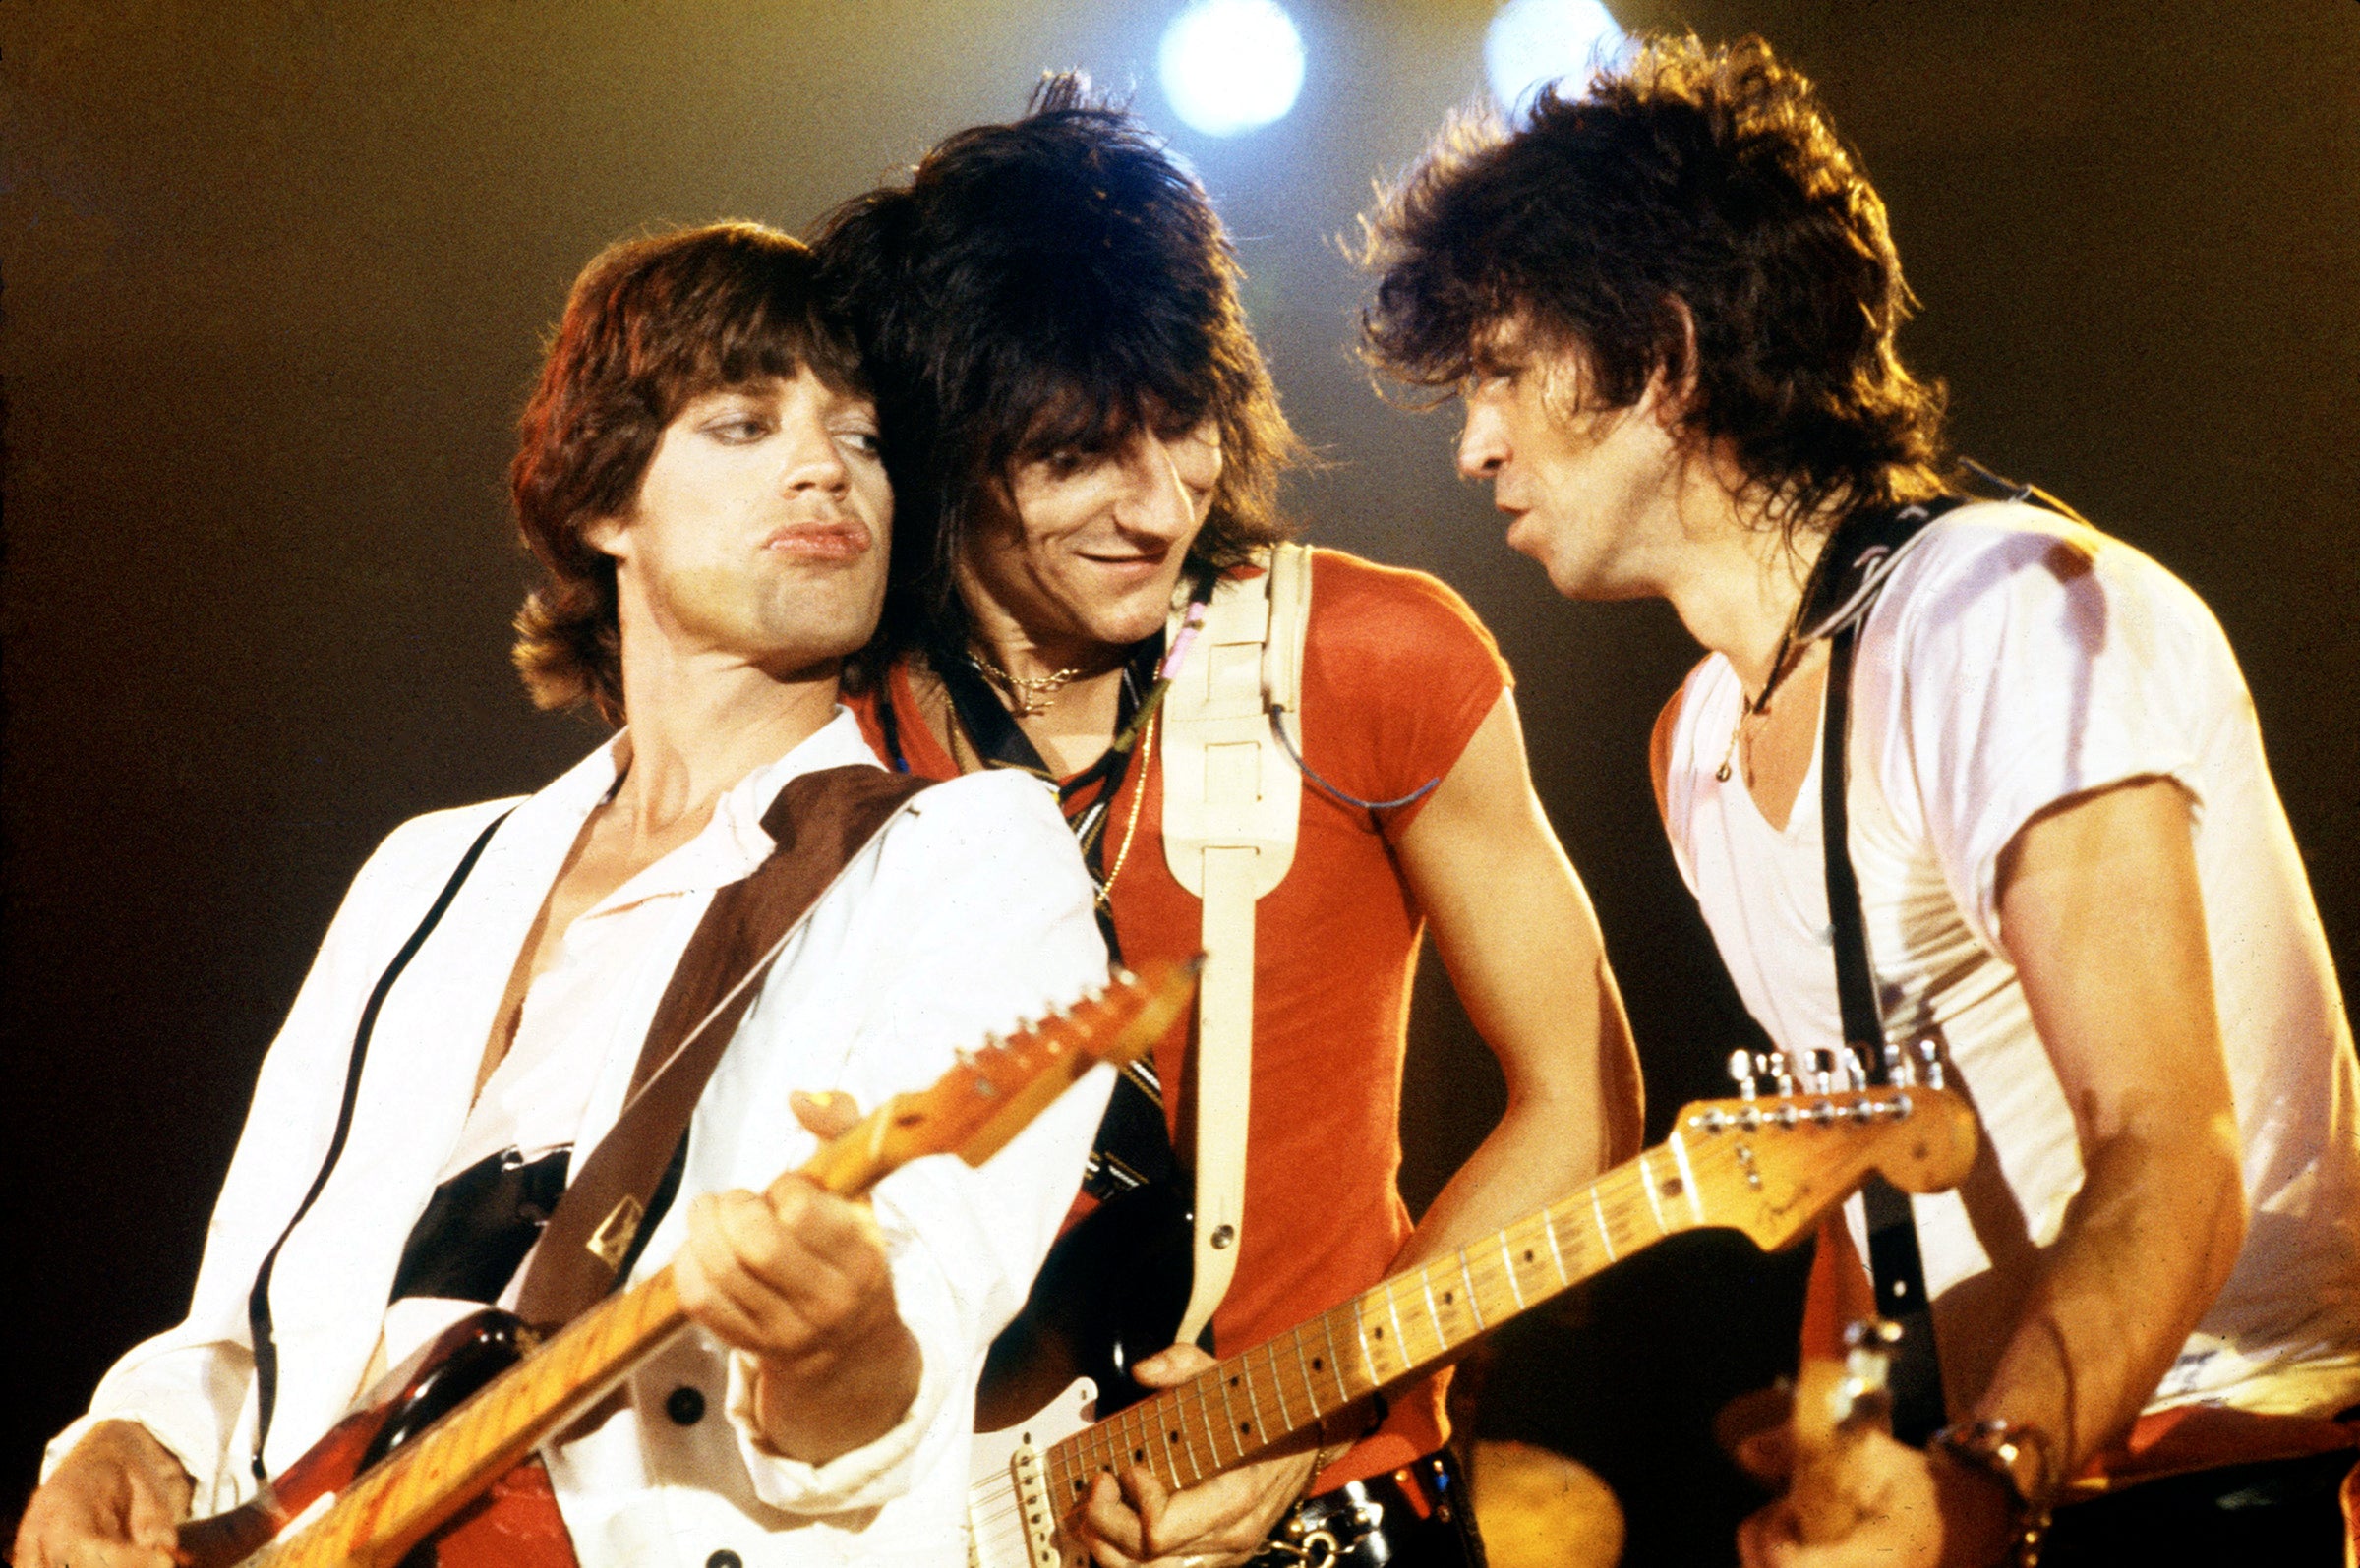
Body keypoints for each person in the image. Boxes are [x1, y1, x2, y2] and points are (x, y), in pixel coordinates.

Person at [1358, 31, 2360, 1568]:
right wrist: (1852, 1452)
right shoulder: (1696, 738)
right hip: (1993, 1474)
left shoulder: (1996, 615)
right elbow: (1853, 1149)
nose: (1477, 440)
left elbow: (2173, 1147)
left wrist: (1983, 1479)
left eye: (1502, 371)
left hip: (2200, 1473)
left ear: (1667, 360)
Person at [13, 222, 1114, 1568]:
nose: (826, 467)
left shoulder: (966, 855)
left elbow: (911, 1352)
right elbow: (251, 1323)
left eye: (866, 438)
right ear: (604, 499)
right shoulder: (430, 872)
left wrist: (845, 1337)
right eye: (744, 423)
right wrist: (131, 1444)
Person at [813, 77, 1644, 1568]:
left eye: (1182, 424)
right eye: (1074, 453)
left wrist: (1327, 1407)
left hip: (1331, 1512)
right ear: (942, 446)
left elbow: (1580, 1103)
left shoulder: (1375, 658)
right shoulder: (829, 730)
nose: (1156, 503)